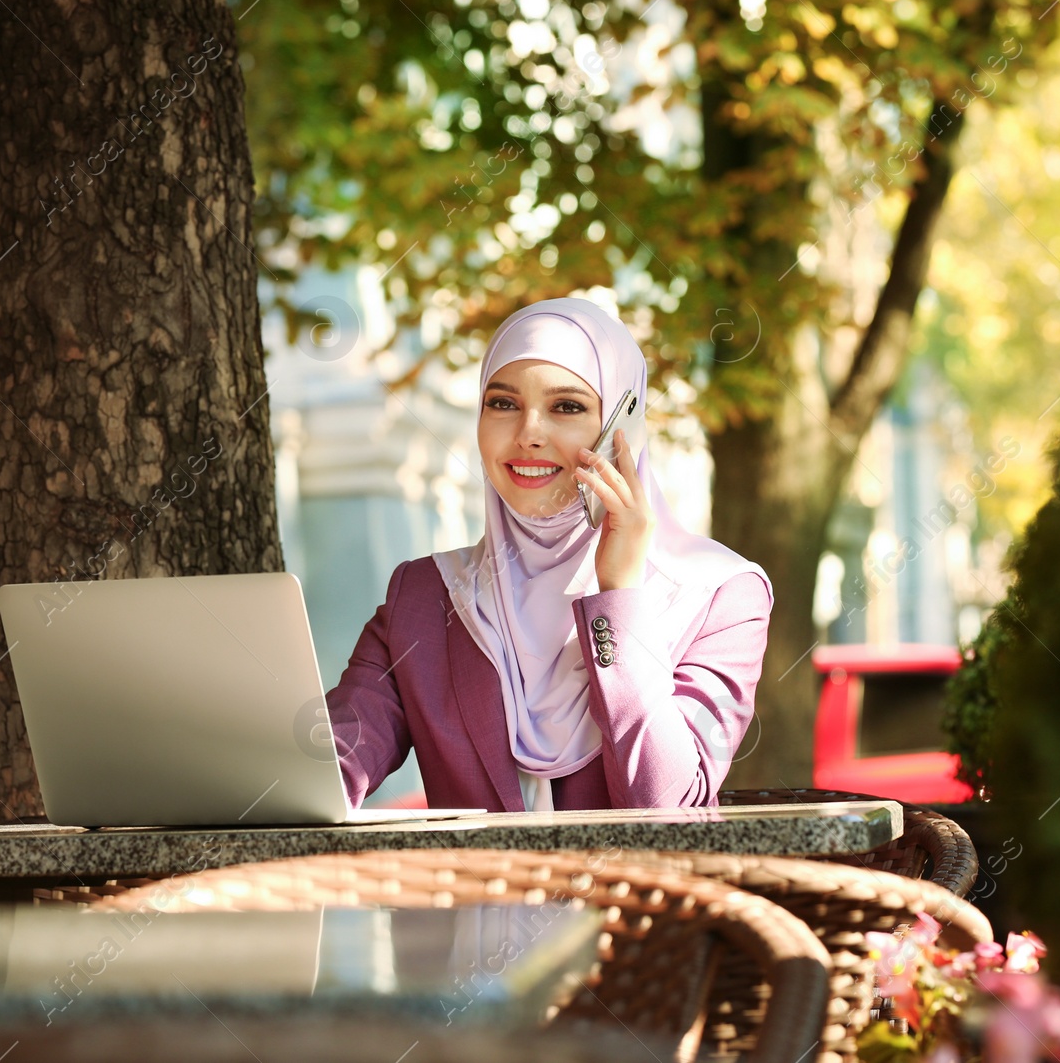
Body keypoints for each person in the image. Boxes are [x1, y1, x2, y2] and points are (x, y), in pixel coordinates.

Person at [325, 297, 774, 811]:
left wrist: (621, 596)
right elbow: (330, 770)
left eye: (567, 407)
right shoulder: (427, 595)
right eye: (502, 403)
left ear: (622, 432)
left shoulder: (718, 595)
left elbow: (670, 813)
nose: (528, 433)